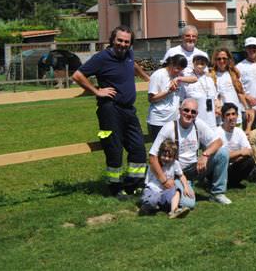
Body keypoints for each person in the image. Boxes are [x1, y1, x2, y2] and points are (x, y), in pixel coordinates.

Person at [72, 25, 150, 197]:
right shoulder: (102, 57)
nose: (123, 44)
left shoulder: (128, 54)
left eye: (126, 42)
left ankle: (134, 185)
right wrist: (96, 91)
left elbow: (134, 65)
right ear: (113, 40)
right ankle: (115, 188)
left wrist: (146, 77)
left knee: (138, 147)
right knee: (113, 149)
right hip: (109, 110)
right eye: (120, 40)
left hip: (129, 110)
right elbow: (77, 75)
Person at [149, 99, 231, 205]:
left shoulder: (198, 124)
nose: (189, 114)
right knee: (188, 203)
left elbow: (218, 142)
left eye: (193, 112)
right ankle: (176, 190)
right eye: (186, 110)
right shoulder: (169, 127)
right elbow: (152, 157)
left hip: (196, 167)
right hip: (177, 172)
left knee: (223, 153)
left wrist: (205, 155)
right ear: (180, 110)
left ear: (196, 114)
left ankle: (217, 193)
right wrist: (164, 180)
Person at [140, 139, 193, 218]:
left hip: (165, 192)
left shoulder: (175, 163)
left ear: (174, 157)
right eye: (164, 156)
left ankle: (174, 210)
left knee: (177, 191)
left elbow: (181, 175)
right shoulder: (155, 163)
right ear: (159, 153)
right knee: (151, 201)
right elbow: (152, 165)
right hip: (153, 189)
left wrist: (185, 187)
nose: (167, 158)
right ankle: (147, 206)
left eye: (170, 157)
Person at [147, 54, 188, 141]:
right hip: (159, 121)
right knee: (159, 151)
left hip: (174, 120)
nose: (179, 71)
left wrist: (178, 78)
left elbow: (194, 79)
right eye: (177, 68)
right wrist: (169, 91)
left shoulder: (178, 75)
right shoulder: (158, 75)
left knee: (173, 150)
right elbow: (151, 99)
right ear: (171, 63)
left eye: (181, 69)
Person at [217, 103, 256, 187]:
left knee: (250, 161)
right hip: (220, 168)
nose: (231, 117)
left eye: (233, 114)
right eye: (228, 115)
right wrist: (241, 152)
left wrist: (233, 157)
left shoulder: (239, 131)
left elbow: (249, 151)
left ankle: (231, 183)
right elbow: (221, 157)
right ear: (223, 117)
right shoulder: (217, 132)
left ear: (237, 116)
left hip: (233, 165)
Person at [210, 48, 249, 129]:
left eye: (224, 58)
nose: (221, 61)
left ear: (228, 59)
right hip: (221, 118)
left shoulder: (234, 73)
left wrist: (247, 108)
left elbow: (240, 93)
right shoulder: (211, 76)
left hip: (236, 116)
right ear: (215, 60)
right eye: (219, 59)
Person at [236, 37, 256, 130]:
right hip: (246, 108)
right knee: (247, 135)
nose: (252, 50)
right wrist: (247, 97)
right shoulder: (239, 67)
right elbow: (237, 88)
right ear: (246, 49)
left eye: (254, 47)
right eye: (249, 47)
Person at [183, 54, 219, 128]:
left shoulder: (209, 79)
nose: (200, 62)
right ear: (193, 63)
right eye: (197, 60)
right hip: (194, 121)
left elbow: (215, 99)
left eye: (203, 61)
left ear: (206, 64)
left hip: (210, 121)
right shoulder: (187, 77)